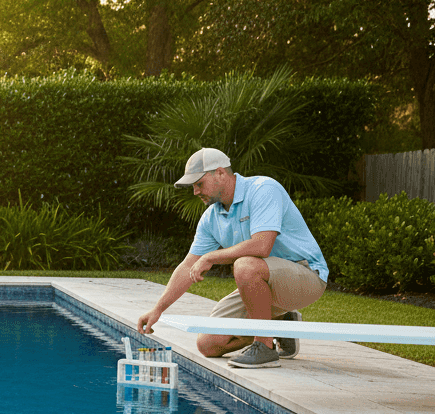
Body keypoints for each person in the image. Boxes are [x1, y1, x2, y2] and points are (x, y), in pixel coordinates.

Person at [136, 147, 329, 369]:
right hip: (263, 280)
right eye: (193, 187)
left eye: (199, 184)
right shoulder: (211, 217)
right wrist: (157, 309)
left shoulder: (263, 189)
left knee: (245, 265)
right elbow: (188, 265)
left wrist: (211, 257)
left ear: (220, 173)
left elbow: (262, 245)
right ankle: (279, 323)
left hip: (305, 276)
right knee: (208, 344)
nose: (196, 192)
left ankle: (264, 346)